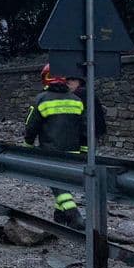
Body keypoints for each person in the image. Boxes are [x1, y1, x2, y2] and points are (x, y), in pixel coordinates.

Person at [24, 64, 85, 229]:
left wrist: (27, 144)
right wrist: (84, 150)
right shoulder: (77, 100)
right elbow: (85, 127)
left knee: (56, 182)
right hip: (74, 150)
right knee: (64, 179)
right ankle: (59, 215)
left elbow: (31, 126)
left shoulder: (42, 99)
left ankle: (73, 214)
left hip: (51, 150)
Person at [66, 75, 107, 153]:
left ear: (79, 82)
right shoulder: (86, 92)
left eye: (73, 79)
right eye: (68, 80)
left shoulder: (80, 93)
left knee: (85, 156)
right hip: (91, 130)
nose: (68, 83)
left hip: (88, 131)